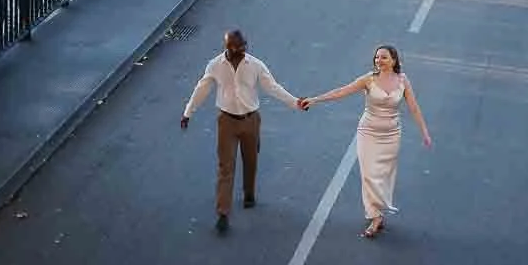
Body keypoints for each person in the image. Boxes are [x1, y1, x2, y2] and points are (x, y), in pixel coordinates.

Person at [301, 45, 432, 238]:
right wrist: (315, 99)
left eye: (384, 57)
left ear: (394, 61)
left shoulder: (403, 80)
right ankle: (375, 216)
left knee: (384, 175)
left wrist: (425, 133)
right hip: (368, 133)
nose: (379, 60)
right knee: (369, 175)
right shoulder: (368, 79)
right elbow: (342, 91)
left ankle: (378, 209)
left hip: (391, 135)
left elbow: (414, 107)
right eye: (377, 57)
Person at [181, 29, 305, 233]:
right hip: (227, 121)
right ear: (227, 48)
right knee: (225, 166)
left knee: (251, 160)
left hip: (251, 119)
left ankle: (249, 193)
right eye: (238, 47)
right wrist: (188, 113)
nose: (243, 50)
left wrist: (295, 102)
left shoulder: (255, 65)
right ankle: (223, 212)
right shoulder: (215, 66)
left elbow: (272, 87)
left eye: (244, 45)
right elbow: (202, 89)